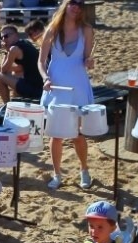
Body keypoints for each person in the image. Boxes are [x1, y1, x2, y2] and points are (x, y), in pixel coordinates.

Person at [38, 0, 95, 190]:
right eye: (72, 2)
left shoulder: (86, 30)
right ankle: (57, 174)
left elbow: (87, 57)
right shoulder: (52, 30)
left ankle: (84, 170)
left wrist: (89, 62)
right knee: (56, 134)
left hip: (77, 85)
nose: (76, 5)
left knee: (77, 134)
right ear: (65, 5)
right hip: (56, 87)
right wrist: (45, 78)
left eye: (80, 3)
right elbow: (41, 61)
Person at [0, 25, 44, 104]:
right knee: (15, 73)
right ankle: (17, 100)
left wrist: (6, 51)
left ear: (15, 35)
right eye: (2, 38)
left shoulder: (14, 49)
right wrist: (0, 67)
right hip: (40, 87)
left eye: (6, 36)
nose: (4, 39)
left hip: (35, 90)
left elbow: (3, 70)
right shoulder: (25, 43)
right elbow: (21, 68)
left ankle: (6, 105)